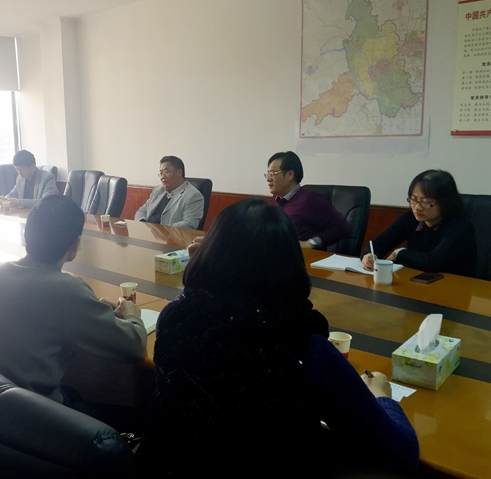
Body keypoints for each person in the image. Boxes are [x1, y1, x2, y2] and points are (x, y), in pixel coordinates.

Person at [142, 199, 419, 476]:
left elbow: (192, 303)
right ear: (291, 263)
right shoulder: (302, 344)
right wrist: (381, 395)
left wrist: (205, 271)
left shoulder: (174, 319)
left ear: (211, 253)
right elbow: (402, 451)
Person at [0, 195, 147, 420]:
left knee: (75, 392)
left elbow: (41, 312)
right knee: (135, 418)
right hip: (28, 417)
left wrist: (91, 309)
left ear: (27, 235)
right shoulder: (68, 290)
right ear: (75, 245)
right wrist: (132, 316)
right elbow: (133, 346)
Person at [361, 170, 476, 277]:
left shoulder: (461, 227)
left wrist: (399, 253)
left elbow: (433, 262)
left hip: (453, 286)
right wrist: (369, 256)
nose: (417, 207)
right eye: (413, 199)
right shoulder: (410, 218)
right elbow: (377, 244)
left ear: (445, 203)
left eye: (426, 202)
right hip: (417, 282)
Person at [267, 151, 350, 249]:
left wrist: (311, 243)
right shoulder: (275, 199)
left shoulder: (310, 200)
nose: (268, 179)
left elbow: (343, 227)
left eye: (273, 173)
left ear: (290, 174)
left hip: (305, 256)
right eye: (268, 174)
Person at [134, 156, 204, 229]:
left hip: (170, 235)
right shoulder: (158, 190)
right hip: (148, 232)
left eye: (166, 172)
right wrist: (143, 224)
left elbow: (189, 224)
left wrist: (162, 230)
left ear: (179, 172)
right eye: (161, 173)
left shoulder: (193, 196)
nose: (162, 177)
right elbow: (142, 211)